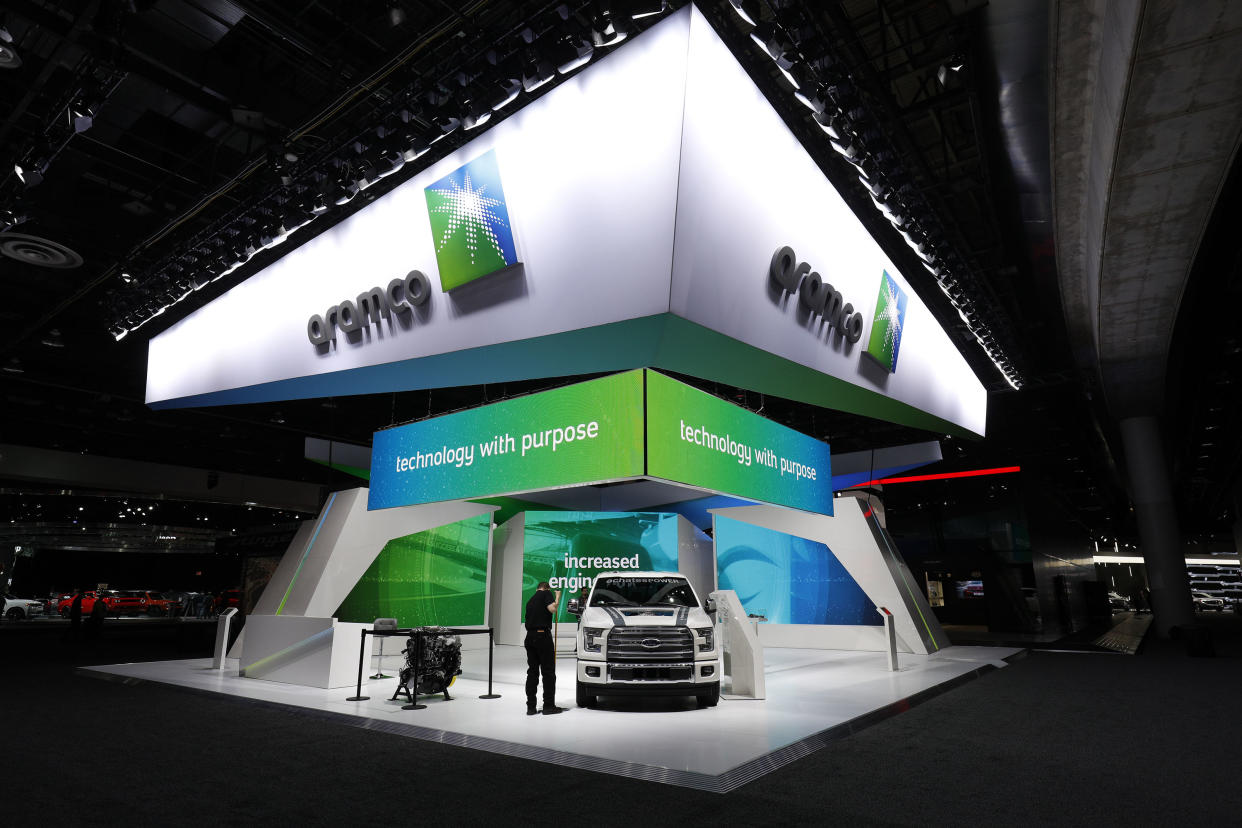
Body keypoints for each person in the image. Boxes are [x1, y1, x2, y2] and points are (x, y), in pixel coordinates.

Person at [524, 581, 565, 716]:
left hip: (529, 637)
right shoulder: (546, 593)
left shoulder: (530, 601)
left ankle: (531, 707)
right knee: (548, 672)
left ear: (537, 588)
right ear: (546, 588)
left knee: (532, 672)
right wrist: (557, 596)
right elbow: (552, 609)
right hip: (542, 636)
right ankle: (548, 706)